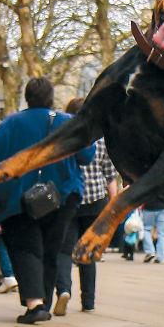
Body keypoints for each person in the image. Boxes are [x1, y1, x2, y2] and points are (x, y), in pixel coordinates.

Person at [0, 77, 94, 324]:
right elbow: (86, 156)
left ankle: (34, 302)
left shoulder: (9, 124)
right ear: (51, 96)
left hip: (19, 196)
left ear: (27, 96)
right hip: (62, 194)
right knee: (51, 248)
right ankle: (44, 301)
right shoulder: (69, 122)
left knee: (26, 247)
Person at [54, 98, 118, 315]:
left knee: (64, 249)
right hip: (96, 199)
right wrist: (113, 206)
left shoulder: (64, 136)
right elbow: (110, 175)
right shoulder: (100, 138)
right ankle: (88, 301)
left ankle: (63, 290)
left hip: (69, 197)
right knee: (88, 252)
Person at [140, 199, 164, 264]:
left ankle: (150, 251)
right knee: (162, 233)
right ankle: (161, 257)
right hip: (163, 206)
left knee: (146, 229)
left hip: (148, 207)